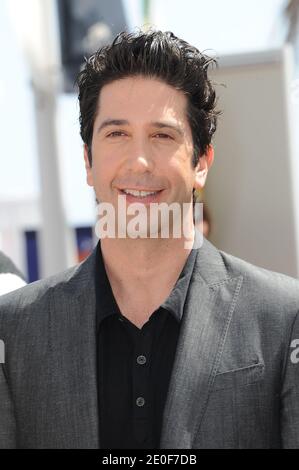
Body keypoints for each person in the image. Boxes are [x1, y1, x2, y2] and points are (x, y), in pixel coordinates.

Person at [1, 30, 299, 450]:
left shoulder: (283, 317)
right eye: (116, 134)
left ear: (202, 162)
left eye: (162, 135)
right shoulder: (14, 330)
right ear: (88, 161)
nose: (139, 161)